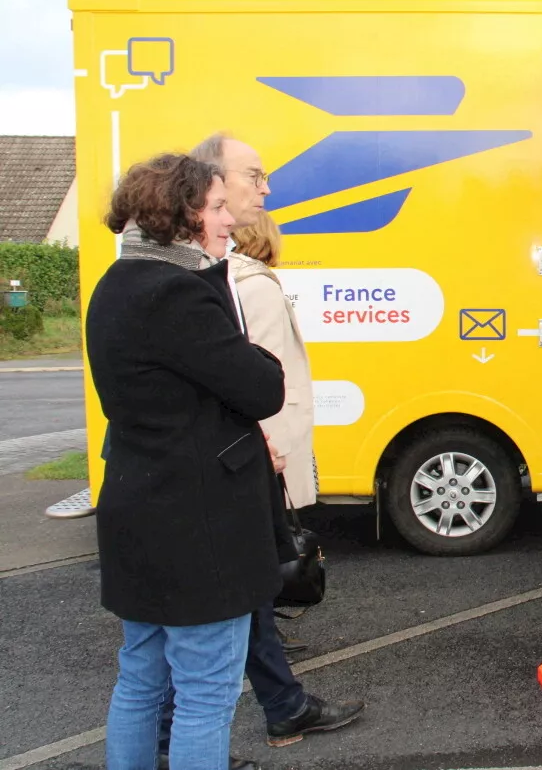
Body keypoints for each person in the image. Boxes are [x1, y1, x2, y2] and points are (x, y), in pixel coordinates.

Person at [85, 153, 286, 770]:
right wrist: (216, 284)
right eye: (218, 207)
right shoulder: (178, 293)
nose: (230, 221)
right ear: (182, 215)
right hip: (196, 527)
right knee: (205, 694)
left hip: (138, 514)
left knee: (142, 682)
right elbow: (261, 388)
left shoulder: (116, 284)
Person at [168, 133, 364, 759]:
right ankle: (185, 735)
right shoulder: (230, 281)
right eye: (254, 176)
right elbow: (241, 380)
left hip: (251, 461)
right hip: (245, 464)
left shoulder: (235, 275)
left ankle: (281, 704)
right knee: (216, 610)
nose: (265, 188)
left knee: (244, 597)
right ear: (211, 185)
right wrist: (264, 455)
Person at [229, 211, 318, 511]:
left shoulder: (232, 278)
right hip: (271, 430)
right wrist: (271, 442)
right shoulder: (259, 285)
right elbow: (263, 367)